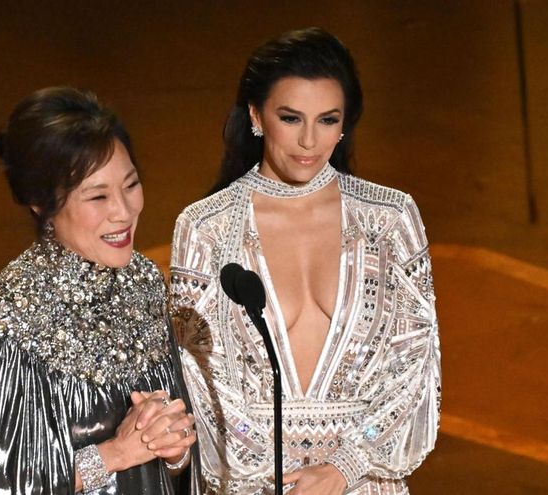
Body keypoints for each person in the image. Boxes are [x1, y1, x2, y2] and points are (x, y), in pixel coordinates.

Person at [169, 28, 440, 494]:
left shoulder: (391, 218)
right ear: (256, 115)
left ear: (345, 124)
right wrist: (273, 480)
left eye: (328, 120)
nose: (310, 141)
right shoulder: (205, 227)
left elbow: (415, 363)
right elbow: (200, 372)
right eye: (291, 118)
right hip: (249, 485)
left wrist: (342, 471)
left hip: (362, 482)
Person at [0, 87, 199, 494]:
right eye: (97, 196)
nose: (124, 211)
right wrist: (117, 453)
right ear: (41, 203)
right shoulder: (13, 314)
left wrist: (173, 447)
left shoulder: (145, 281)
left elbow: (181, 458)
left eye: (131, 185)